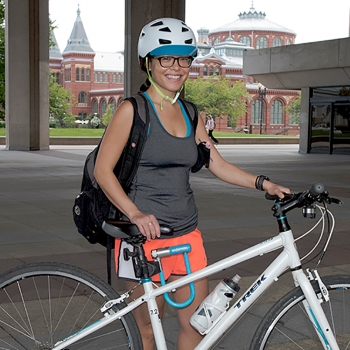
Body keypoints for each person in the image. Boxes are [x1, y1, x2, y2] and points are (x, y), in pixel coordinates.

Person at [94, 17, 290, 350]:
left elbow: (217, 163)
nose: (176, 67)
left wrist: (263, 183)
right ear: (149, 63)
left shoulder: (190, 113)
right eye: (166, 58)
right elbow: (102, 170)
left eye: (184, 58)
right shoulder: (132, 110)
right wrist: (135, 214)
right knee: (146, 333)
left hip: (186, 236)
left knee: (199, 326)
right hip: (142, 240)